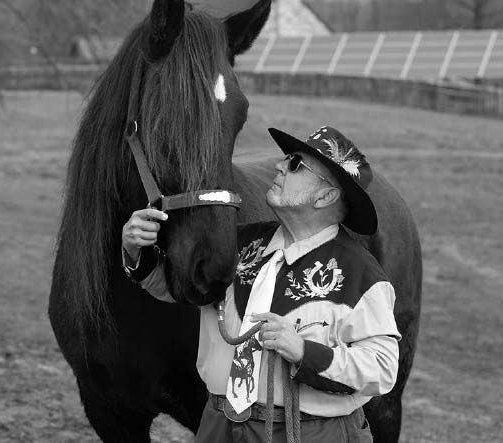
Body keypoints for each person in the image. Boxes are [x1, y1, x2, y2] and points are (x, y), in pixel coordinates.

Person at [122, 126, 401, 442]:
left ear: (326, 196)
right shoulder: (241, 242)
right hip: (221, 424)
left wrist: (304, 352)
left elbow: (381, 369)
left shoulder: (360, 273)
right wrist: (136, 249)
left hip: (309, 432)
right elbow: (177, 288)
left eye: (295, 164)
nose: (280, 166)